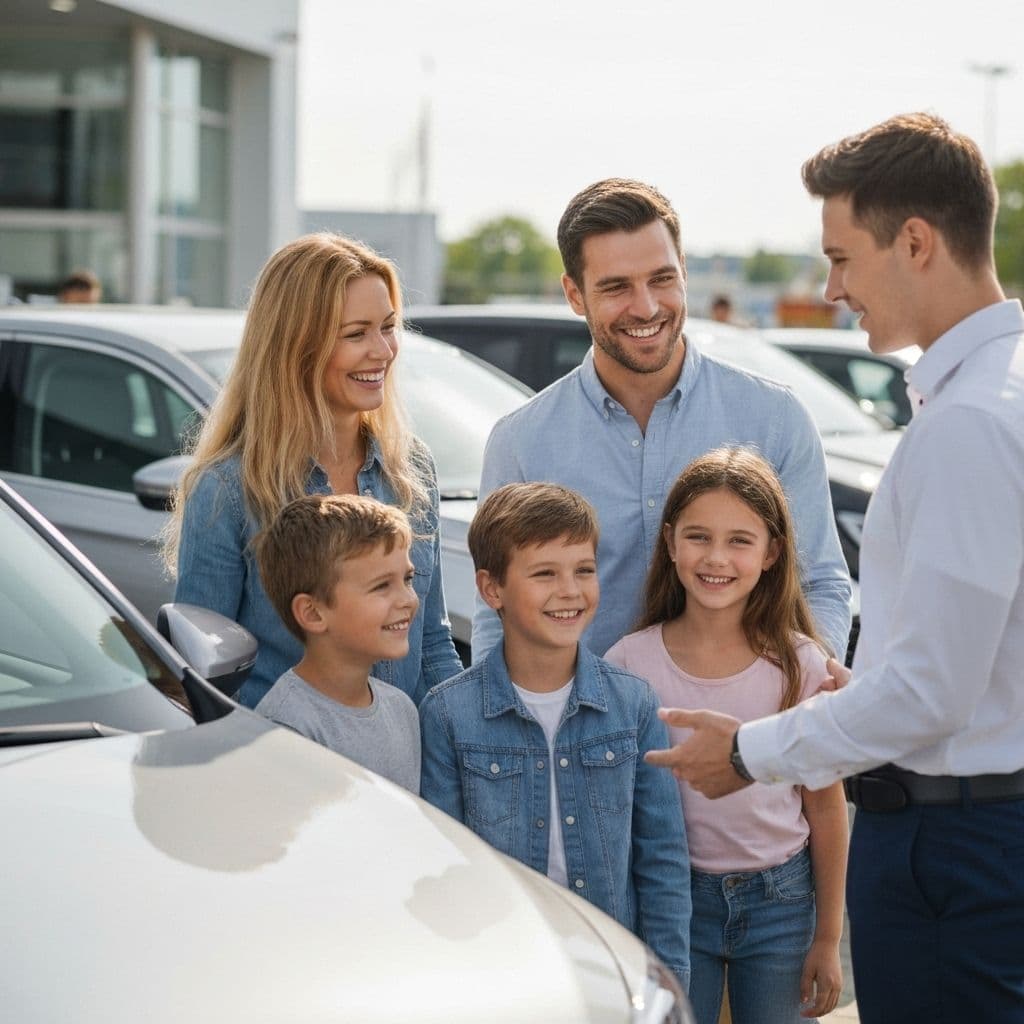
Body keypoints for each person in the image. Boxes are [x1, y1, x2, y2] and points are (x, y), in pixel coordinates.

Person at [647, 113, 1024, 1024]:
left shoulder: (972, 421)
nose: (831, 287)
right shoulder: (995, 389)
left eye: (843, 257)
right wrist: (875, 689)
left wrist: (747, 751)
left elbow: (933, 694)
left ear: (917, 242)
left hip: (956, 847)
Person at [472, 178, 851, 665]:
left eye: (661, 279)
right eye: (616, 287)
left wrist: (795, 703)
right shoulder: (521, 441)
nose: (646, 306)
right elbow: (496, 614)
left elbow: (819, 583)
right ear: (574, 294)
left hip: (738, 730)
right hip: (575, 735)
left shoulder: (776, 419)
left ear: (685, 272)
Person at [166, 233, 462, 708]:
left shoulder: (411, 469)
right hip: (284, 767)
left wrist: (460, 752)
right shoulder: (228, 488)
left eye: (388, 327)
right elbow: (201, 677)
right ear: (295, 347)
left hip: (400, 769)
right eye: (355, 333)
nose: (383, 350)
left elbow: (431, 645)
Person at [605, 447, 846, 1023]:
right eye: (698, 537)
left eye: (740, 540)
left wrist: (828, 939)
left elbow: (826, 809)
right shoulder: (630, 664)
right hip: (673, 901)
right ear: (669, 543)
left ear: (772, 553)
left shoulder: (801, 667)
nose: (717, 558)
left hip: (782, 904)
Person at [419, 482, 691, 991]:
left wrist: (669, 984)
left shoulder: (632, 704)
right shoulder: (448, 714)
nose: (570, 590)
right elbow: (449, 871)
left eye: (583, 571)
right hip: (503, 971)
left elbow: (663, 862)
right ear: (491, 588)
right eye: (545, 574)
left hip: (611, 969)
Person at [250, 494, 421, 792]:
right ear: (313, 613)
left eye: (407, 579)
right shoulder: (287, 727)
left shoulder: (402, 709)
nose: (407, 599)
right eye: (382, 586)